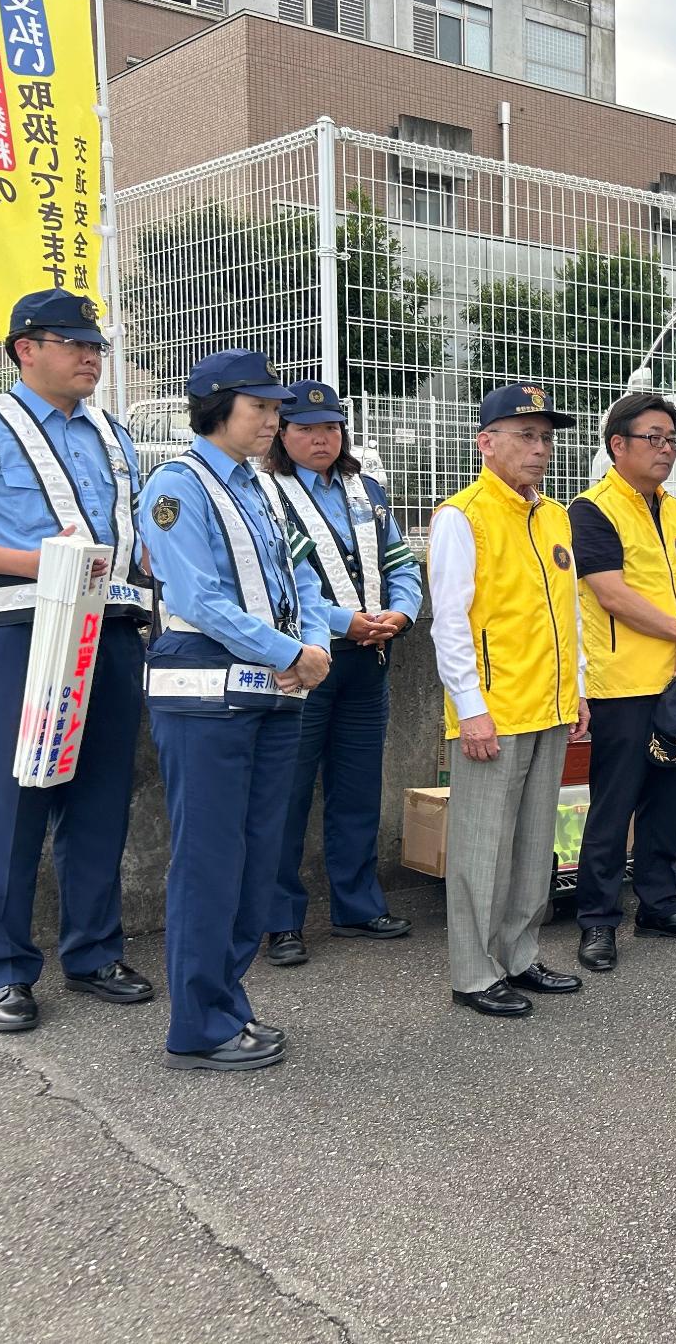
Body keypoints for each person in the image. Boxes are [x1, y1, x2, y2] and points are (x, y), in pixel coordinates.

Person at [0, 288, 154, 1033]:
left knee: (100, 799)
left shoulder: (114, 434)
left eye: (95, 345)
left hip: (112, 631)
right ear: (25, 349)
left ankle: (94, 952)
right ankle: (3, 970)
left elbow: (132, 537)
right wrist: (36, 564)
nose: (90, 356)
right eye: (73, 343)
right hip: (19, 631)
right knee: (14, 799)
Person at [140, 348, 334, 1071]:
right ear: (217, 409)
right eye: (261, 408)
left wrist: (310, 644)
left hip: (272, 694)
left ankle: (227, 1003)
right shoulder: (176, 487)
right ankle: (197, 1025)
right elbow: (197, 599)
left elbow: (304, 580)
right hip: (206, 699)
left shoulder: (263, 488)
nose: (274, 420)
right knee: (210, 861)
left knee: (255, 860)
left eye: (275, 408)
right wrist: (289, 654)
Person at [428, 383, 588, 1018]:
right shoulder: (461, 517)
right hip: (494, 709)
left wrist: (576, 690)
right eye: (525, 435)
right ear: (485, 442)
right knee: (480, 846)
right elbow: (451, 621)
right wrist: (469, 706)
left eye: (545, 437)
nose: (539, 448)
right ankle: (472, 972)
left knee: (531, 843)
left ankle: (518, 955)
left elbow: (568, 612)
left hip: (548, 704)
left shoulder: (553, 516)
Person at [261, 381, 423, 968]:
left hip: (368, 659)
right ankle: (280, 920)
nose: (320, 437)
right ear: (281, 433)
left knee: (358, 790)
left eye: (329, 426)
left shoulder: (367, 490)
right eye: (304, 427)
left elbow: (402, 562)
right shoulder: (265, 493)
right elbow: (288, 583)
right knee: (287, 794)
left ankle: (357, 907)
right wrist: (341, 621)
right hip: (304, 661)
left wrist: (401, 612)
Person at [570, 391, 676, 974]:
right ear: (618, 445)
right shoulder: (591, 511)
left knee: (668, 801)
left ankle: (660, 904)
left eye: (672, 440)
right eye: (653, 438)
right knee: (614, 807)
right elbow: (610, 592)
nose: (665, 450)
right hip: (624, 685)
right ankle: (597, 920)